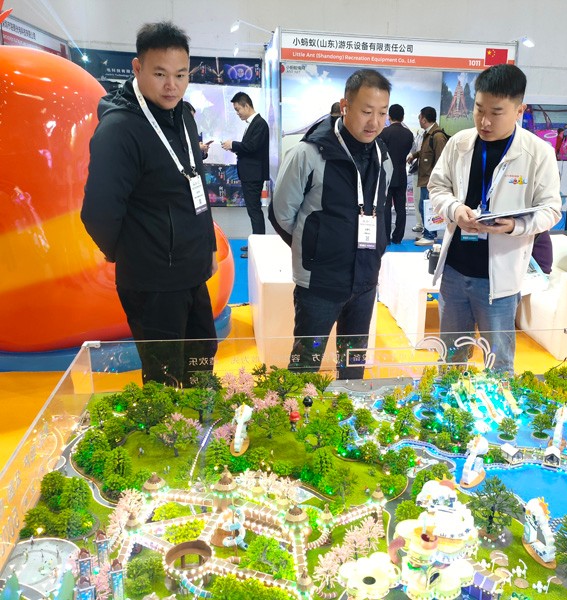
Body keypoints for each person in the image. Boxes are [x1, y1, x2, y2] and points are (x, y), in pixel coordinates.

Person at [81, 21, 218, 386]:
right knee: (165, 377)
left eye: (180, 75)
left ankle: (203, 419)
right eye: (160, 74)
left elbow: (195, 186)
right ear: (137, 68)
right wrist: (132, 253)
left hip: (192, 271)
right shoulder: (119, 129)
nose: (172, 85)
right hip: (153, 280)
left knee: (202, 358)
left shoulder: (183, 116)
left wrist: (207, 247)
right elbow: (98, 213)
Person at [428, 64, 561, 374]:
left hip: (499, 280)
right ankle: (446, 402)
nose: (484, 121)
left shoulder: (537, 153)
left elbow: (551, 210)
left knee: (498, 364)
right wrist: (454, 209)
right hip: (455, 272)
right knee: (450, 359)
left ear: (519, 110)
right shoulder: (460, 143)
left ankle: (500, 407)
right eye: (479, 109)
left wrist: (515, 226)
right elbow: (437, 187)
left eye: (496, 113)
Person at [272, 69, 393, 379]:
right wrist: (315, 248)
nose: (374, 122)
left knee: (353, 366)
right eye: (366, 111)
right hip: (320, 284)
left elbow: (380, 210)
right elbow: (282, 214)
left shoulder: (383, 157)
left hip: (365, 282)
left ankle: (348, 408)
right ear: (345, 106)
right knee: (305, 367)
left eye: (382, 113)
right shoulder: (308, 153)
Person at [221, 91, 270, 258]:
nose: (237, 113)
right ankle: (256, 243)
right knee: (253, 210)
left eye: (238, 109)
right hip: (250, 174)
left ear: (246, 106)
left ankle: (259, 247)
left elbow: (252, 147)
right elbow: (250, 148)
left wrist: (233, 144)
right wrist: (234, 147)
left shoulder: (260, 123)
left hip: (253, 175)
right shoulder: (253, 123)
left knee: (254, 211)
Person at [408, 106, 448, 246]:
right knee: (423, 207)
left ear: (424, 119)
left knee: (429, 208)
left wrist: (436, 181)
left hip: (431, 181)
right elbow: (425, 152)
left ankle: (430, 236)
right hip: (425, 179)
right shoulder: (429, 135)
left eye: (419, 117)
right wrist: (414, 155)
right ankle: (428, 233)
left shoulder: (437, 136)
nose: (419, 120)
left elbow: (441, 160)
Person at [379, 104, 414, 243]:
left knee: (386, 207)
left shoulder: (384, 133)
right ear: (403, 117)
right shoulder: (409, 134)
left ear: (389, 116)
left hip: (386, 175)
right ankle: (398, 237)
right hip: (401, 174)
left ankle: (386, 237)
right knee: (401, 208)